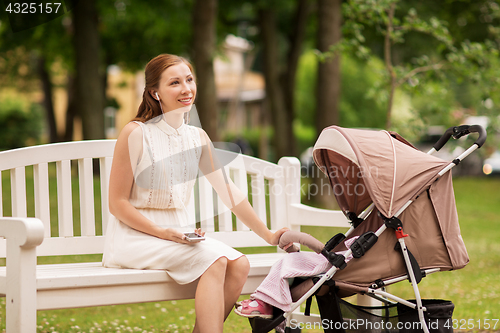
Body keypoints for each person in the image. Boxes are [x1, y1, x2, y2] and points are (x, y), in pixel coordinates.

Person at [102, 54, 289, 333]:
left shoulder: (196, 138)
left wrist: (269, 235)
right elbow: (117, 204)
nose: (186, 89)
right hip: (135, 237)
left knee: (240, 265)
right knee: (216, 261)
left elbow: (228, 191)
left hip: (179, 236)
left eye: (189, 80)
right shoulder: (135, 133)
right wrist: (164, 232)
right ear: (155, 92)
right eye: (174, 83)